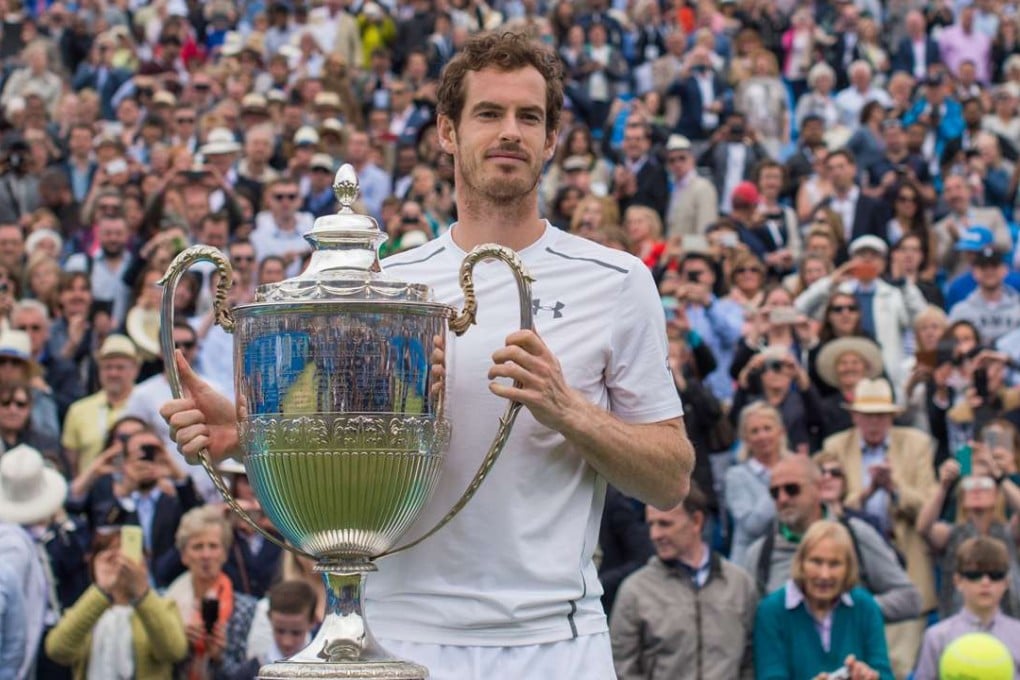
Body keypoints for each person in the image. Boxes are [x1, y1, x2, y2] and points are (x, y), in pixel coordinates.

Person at [161, 31, 693, 678]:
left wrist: (568, 410)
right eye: (488, 113)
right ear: (447, 130)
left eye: (530, 117)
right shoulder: (384, 284)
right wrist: (247, 439)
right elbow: (348, 451)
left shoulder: (616, 280)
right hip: (402, 636)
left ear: (552, 139)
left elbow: (670, 479)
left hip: (555, 641)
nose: (510, 132)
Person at [610, 483, 757, 680]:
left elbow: (749, 661)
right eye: (651, 524)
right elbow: (622, 667)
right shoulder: (635, 590)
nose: (655, 535)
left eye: (665, 524)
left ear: (696, 521)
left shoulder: (740, 584)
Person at [753, 520, 894, 680]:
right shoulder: (772, 611)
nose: (824, 575)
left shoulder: (865, 606)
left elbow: (884, 672)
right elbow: (771, 675)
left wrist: (869, 676)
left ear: (848, 567)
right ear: (801, 562)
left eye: (834, 564)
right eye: (816, 562)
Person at [43, 530, 188, 680]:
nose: (120, 564)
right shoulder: (86, 608)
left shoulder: (163, 605)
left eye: (128, 555)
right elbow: (57, 650)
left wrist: (142, 592)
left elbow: (174, 651)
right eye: (111, 557)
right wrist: (102, 590)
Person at [165, 506, 258, 679]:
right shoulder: (166, 603)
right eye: (198, 547)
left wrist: (219, 656)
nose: (206, 555)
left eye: (213, 546)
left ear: (224, 553)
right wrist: (179, 641)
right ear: (184, 555)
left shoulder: (247, 608)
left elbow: (248, 674)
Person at [913, 536, 1020, 679]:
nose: (985, 582)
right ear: (958, 581)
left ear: (1006, 582)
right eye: (974, 575)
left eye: (995, 575)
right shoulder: (937, 636)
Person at [227, 579, 319, 678]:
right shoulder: (250, 672)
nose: (286, 642)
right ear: (269, 618)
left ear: (312, 622)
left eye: (296, 633)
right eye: (280, 631)